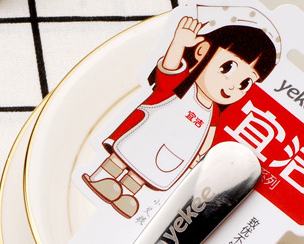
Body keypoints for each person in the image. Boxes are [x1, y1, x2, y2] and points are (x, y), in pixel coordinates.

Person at [82, 15, 278, 217]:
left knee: (145, 172)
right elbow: (169, 67)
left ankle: (127, 193)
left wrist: (197, 159)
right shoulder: (181, 84)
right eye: (227, 68)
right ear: (202, 51)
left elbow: (207, 138)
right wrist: (178, 43)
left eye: (245, 83)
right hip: (145, 135)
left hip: (172, 153)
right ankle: (103, 178)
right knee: (126, 155)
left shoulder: (213, 113)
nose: (231, 86)